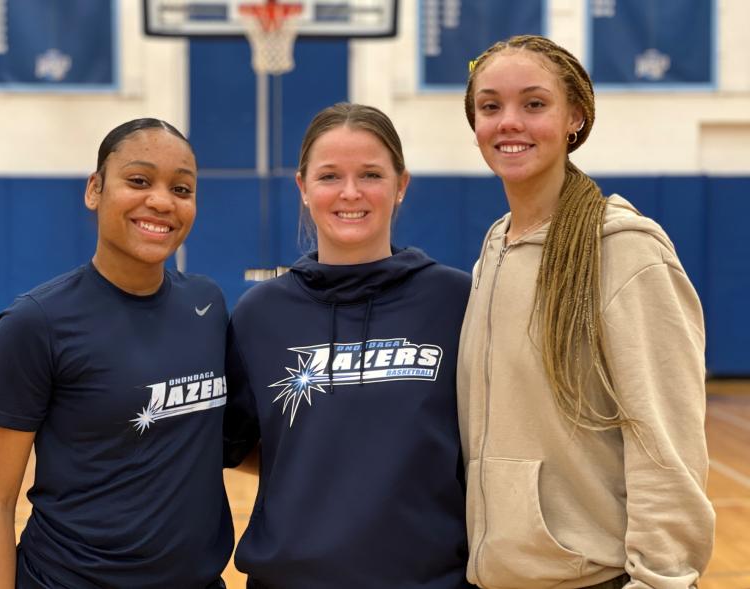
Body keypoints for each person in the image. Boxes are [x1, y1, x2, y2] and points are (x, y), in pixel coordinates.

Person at [457, 34, 715, 589]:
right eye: (490, 106)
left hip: (594, 578)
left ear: (574, 117)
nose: (509, 122)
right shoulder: (492, 251)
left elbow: (666, 443)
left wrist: (662, 579)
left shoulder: (623, 250)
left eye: (534, 103)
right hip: (496, 577)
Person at [0, 118, 233, 588]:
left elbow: (231, 441)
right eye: (139, 180)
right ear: (95, 189)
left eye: (181, 188)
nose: (161, 201)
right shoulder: (35, 324)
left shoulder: (207, 304)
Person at [224, 102, 474, 589]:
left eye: (371, 175)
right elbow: (243, 445)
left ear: (401, 185)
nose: (351, 192)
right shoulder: (261, 314)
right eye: (330, 176)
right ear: (303, 187)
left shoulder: (456, 301)